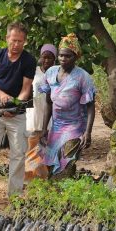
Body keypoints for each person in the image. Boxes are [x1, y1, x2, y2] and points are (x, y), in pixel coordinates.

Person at [0, 22, 36, 200]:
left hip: (17, 115)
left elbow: (26, 88)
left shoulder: (28, 60)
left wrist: (16, 105)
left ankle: (15, 195)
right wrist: (1, 95)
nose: (16, 44)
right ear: (6, 38)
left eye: (20, 41)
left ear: (25, 41)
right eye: (13, 40)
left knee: (18, 154)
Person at [39, 33, 96, 179]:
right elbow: (48, 102)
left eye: (68, 56)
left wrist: (87, 132)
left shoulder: (82, 77)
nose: (63, 59)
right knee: (51, 165)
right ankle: (55, 196)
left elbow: (90, 107)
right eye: (61, 55)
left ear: (76, 57)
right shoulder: (51, 73)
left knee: (66, 164)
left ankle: (65, 194)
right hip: (56, 127)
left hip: (75, 127)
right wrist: (44, 128)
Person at [24, 44, 57, 181]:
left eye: (50, 58)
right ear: (40, 57)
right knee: (32, 150)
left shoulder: (58, 73)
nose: (47, 61)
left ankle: (45, 179)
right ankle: (30, 179)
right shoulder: (33, 72)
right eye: (45, 57)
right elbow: (26, 93)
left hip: (52, 119)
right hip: (34, 117)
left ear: (55, 59)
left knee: (48, 151)